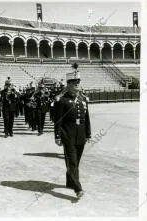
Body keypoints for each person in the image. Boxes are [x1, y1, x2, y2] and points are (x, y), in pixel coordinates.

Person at [54, 62, 91, 199]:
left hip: (81, 135)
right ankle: (78, 188)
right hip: (67, 134)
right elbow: (58, 120)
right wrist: (57, 136)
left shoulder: (83, 100)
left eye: (78, 83)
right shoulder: (62, 101)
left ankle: (70, 181)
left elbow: (86, 118)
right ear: (68, 85)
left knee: (76, 161)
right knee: (73, 162)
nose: (77, 85)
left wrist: (88, 133)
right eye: (74, 83)